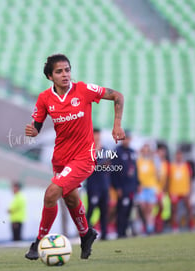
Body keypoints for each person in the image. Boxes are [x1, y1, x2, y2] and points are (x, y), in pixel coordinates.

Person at [25, 54, 125, 260]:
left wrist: (117, 124)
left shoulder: (84, 90)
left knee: (51, 194)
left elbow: (118, 96)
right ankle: (86, 234)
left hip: (84, 157)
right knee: (71, 199)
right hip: (61, 158)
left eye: (67, 70)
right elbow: (37, 124)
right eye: (59, 71)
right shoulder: (45, 98)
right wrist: (33, 131)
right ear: (50, 76)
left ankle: (38, 242)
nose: (65, 75)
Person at [111, 131, 139, 238]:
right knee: (121, 210)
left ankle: (126, 231)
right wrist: (117, 187)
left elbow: (135, 169)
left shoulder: (132, 152)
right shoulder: (117, 152)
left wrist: (138, 183)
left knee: (129, 210)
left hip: (131, 187)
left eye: (128, 138)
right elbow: (114, 171)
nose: (127, 140)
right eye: (125, 138)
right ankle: (120, 232)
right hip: (122, 187)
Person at [85, 128, 110, 240]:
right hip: (93, 185)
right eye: (95, 135)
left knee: (104, 210)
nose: (97, 137)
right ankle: (85, 233)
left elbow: (109, 165)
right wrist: (100, 164)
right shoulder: (88, 150)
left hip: (104, 185)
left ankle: (104, 234)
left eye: (98, 135)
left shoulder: (105, 150)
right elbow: (88, 167)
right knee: (91, 209)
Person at [136, 143, 160, 235]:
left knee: (149, 209)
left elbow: (158, 172)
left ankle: (150, 228)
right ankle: (143, 226)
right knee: (142, 207)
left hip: (150, 187)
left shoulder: (153, 161)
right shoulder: (139, 160)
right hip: (142, 187)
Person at [168, 150, 195, 231]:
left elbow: (190, 179)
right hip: (174, 191)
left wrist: (190, 190)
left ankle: (191, 225)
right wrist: (169, 191)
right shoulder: (171, 166)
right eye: (177, 155)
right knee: (174, 210)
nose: (178, 157)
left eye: (180, 155)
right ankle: (175, 227)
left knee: (189, 208)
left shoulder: (186, 165)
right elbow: (168, 179)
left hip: (184, 191)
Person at [155, 143, 170, 233]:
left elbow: (167, 178)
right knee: (156, 208)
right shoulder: (154, 162)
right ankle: (155, 226)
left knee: (162, 208)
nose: (162, 153)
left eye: (163, 151)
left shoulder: (166, 164)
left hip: (162, 190)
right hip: (154, 189)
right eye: (160, 151)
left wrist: (165, 189)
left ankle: (159, 226)